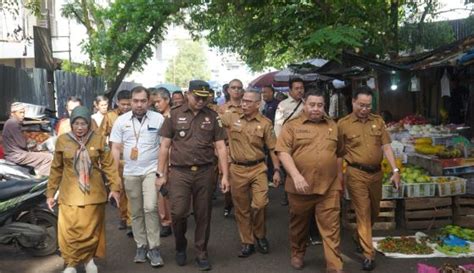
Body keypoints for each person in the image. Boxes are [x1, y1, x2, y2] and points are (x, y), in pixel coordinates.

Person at [156, 80, 230, 271]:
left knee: (203, 214)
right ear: (188, 94)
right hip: (180, 172)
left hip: (205, 172)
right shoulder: (174, 114)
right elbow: (165, 145)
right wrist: (161, 173)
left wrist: (225, 176)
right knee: (178, 212)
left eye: (204, 98)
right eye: (197, 97)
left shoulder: (213, 116)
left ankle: (201, 252)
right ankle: (180, 245)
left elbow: (221, 147)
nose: (200, 101)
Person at [46, 106, 121, 273]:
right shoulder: (62, 140)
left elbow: (109, 166)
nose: (80, 127)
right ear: (71, 124)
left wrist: (115, 188)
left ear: (89, 124)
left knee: (90, 230)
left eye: (84, 124)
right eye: (76, 123)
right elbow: (56, 169)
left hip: (93, 194)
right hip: (69, 194)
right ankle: (71, 263)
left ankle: (88, 260)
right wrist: (50, 193)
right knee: (69, 230)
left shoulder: (99, 140)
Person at [276, 90, 344, 273]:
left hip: (328, 186)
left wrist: (339, 178)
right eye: (312, 105)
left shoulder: (333, 125)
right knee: (299, 226)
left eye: (320, 105)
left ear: (324, 106)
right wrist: (296, 175)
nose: (316, 109)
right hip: (301, 189)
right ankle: (297, 252)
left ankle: (334, 265)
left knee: (331, 228)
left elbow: (339, 154)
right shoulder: (291, 126)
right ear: (304, 104)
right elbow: (283, 152)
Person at [337, 86, 401, 271]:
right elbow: (339, 153)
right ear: (353, 102)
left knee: (374, 211)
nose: (365, 109)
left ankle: (359, 237)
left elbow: (387, 146)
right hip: (355, 173)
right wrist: (339, 176)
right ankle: (368, 255)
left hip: (376, 174)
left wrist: (395, 170)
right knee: (363, 213)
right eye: (361, 105)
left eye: (368, 106)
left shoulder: (378, 121)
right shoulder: (343, 124)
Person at [110, 86, 165, 267]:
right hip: (130, 172)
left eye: (143, 101)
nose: (139, 104)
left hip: (151, 170)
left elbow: (165, 147)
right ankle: (141, 245)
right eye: (136, 101)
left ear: (148, 101)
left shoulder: (158, 119)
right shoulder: (121, 121)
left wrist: (162, 172)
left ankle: (154, 248)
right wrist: (114, 176)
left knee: (150, 207)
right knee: (136, 211)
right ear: (131, 101)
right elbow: (116, 149)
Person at [221, 89, 281, 258]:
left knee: (260, 204)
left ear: (257, 104)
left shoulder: (265, 123)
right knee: (242, 209)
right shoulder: (231, 116)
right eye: (243, 100)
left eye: (248, 101)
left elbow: (272, 149)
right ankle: (247, 242)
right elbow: (213, 117)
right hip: (237, 169)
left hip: (258, 169)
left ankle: (260, 234)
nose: (244, 104)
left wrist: (276, 170)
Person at [98, 90, 133, 234]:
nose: (126, 107)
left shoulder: (136, 116)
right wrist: (104, 154)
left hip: (132, 159)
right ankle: (123, 217)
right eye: (123, 104)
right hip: (117, 159)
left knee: (131, 190)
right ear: (117, 102)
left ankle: (131, 222)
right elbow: (100, 136)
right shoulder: (110, 116)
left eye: (128, 104)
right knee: (119, 189)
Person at [274, 77, 305, 206]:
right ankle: (289, 195)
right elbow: (278, 126)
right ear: (290, 90)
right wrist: (281, 146)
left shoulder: (308, 103)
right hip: (289, 144)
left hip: (305, 144)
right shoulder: (283, 105)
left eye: (302, 88)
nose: (300, 91)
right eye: (297, 88)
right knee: (289, 170)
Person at [2, 102, 53, 176]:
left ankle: (37, 174)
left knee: (42, 155)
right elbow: (22, 144)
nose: (23, 115)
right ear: (13, 113)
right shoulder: (13, 123)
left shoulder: (10, 122)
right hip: (17, 155)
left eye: (23, 112)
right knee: (48, 157)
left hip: (13, 154)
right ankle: (41, 180)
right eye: (20, 113)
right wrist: (32, 144)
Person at [218, 79, 244, 217]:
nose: (236, 90)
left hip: (244, 148)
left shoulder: (248, 106)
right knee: (226, 179)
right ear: (228, 90)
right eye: (233, 87)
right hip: (226, 148)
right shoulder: (222, 108)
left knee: (242, 181)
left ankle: (242, 208)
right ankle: (228, 204)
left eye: (239, 88)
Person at [152, 87, 173, 238]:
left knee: (176, 192)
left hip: (175, 158)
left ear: (167, 100)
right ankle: (165, 222)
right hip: (159, 158)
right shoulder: (154, 118)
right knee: (161, 191)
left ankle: (176, 219)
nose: (157, 105)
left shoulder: (175, 116)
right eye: (154, 103)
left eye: (159, 101)